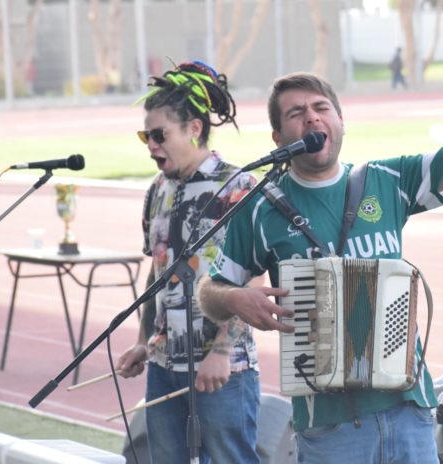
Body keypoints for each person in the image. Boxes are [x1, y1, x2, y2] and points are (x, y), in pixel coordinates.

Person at [197, 45, 443, 463]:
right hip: (329, 427)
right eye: (296, 112)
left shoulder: (388, 180)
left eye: (322, 107)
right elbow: (209, 291)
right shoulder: (260, 210)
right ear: (278, 138)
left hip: (407, 410)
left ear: (340, 121)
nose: (311, 117)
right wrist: (233, 298)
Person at [115, 60, 260, 464]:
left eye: (159, 134)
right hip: (164, 366)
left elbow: (251, 279)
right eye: (146, 134)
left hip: (223, 368)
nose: (150, 144)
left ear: (194, 128)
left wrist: (222, 351)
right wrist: (144, 342)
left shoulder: (239, 186)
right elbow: (155, 274)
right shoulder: (155, 191)